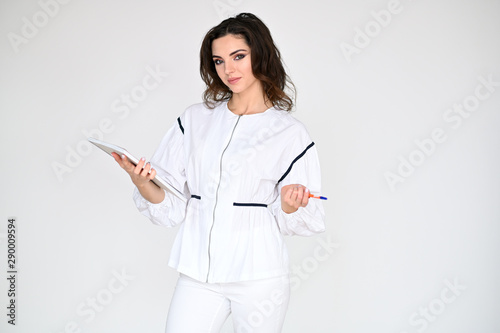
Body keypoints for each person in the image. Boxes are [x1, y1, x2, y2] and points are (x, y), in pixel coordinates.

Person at [112, 12, 325, 333]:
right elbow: (169, 200)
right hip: (199, 274)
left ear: (261, 54)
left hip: (259, 277)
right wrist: (141, 181)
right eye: (219, 61)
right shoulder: (195, 120)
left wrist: (290, 204)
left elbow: (302, 214)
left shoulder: (290, 133)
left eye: (238, 56)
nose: (229, 69)